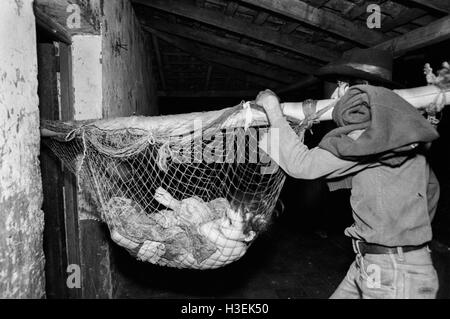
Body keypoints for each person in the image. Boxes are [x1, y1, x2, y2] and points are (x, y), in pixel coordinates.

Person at [256, 48, 441, 299]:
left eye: (338, 85)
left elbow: (303, 165)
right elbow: (431, 191)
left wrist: (272, 110)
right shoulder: (401, 132)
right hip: (376, 262)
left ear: (345, 88)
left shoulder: (373, 135)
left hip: (395, 271)